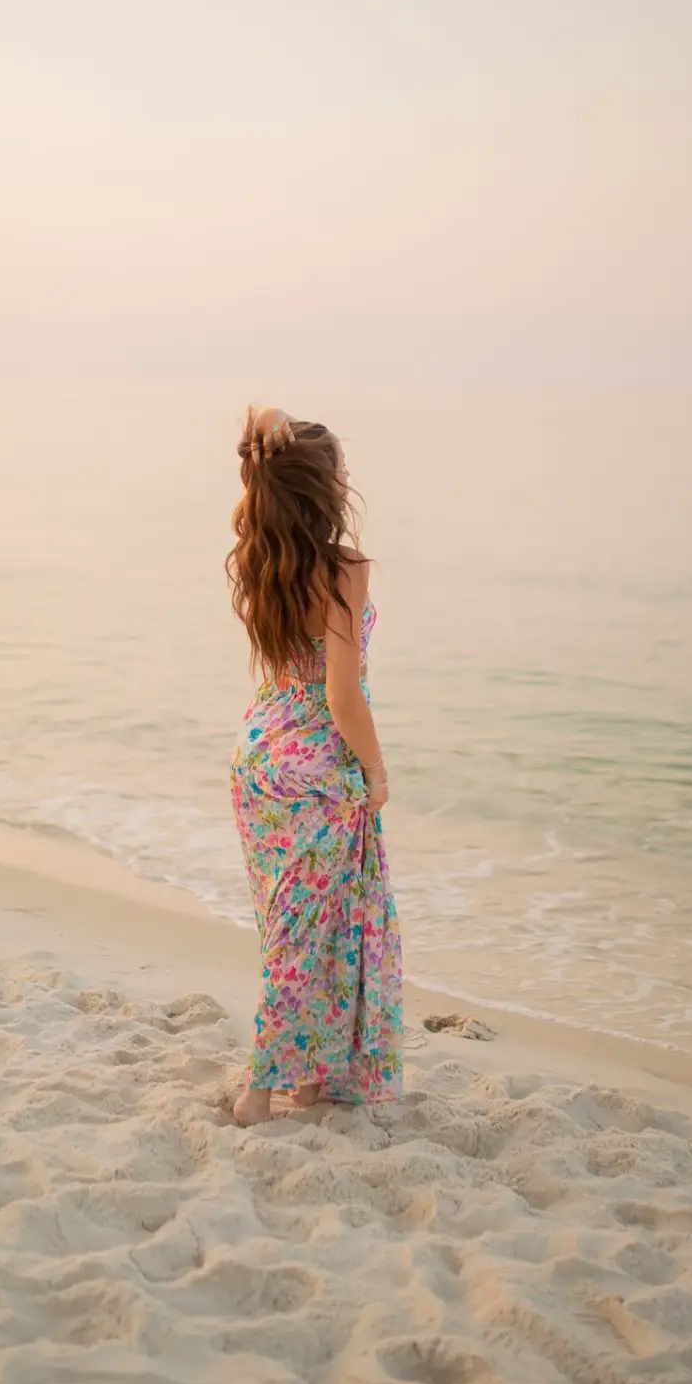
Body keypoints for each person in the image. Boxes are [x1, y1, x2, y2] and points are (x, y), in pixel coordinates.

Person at [226, 405, 404, 1127]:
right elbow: (342, 694)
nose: (348, 478)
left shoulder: (260, 561)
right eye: (339, 470)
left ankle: (304, 1085)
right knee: (318, 932)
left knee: (290, 925)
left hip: (259, 756)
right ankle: (258, 1092)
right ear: (324, 490)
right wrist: (378, 772)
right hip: (317, 768)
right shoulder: (344, 570)